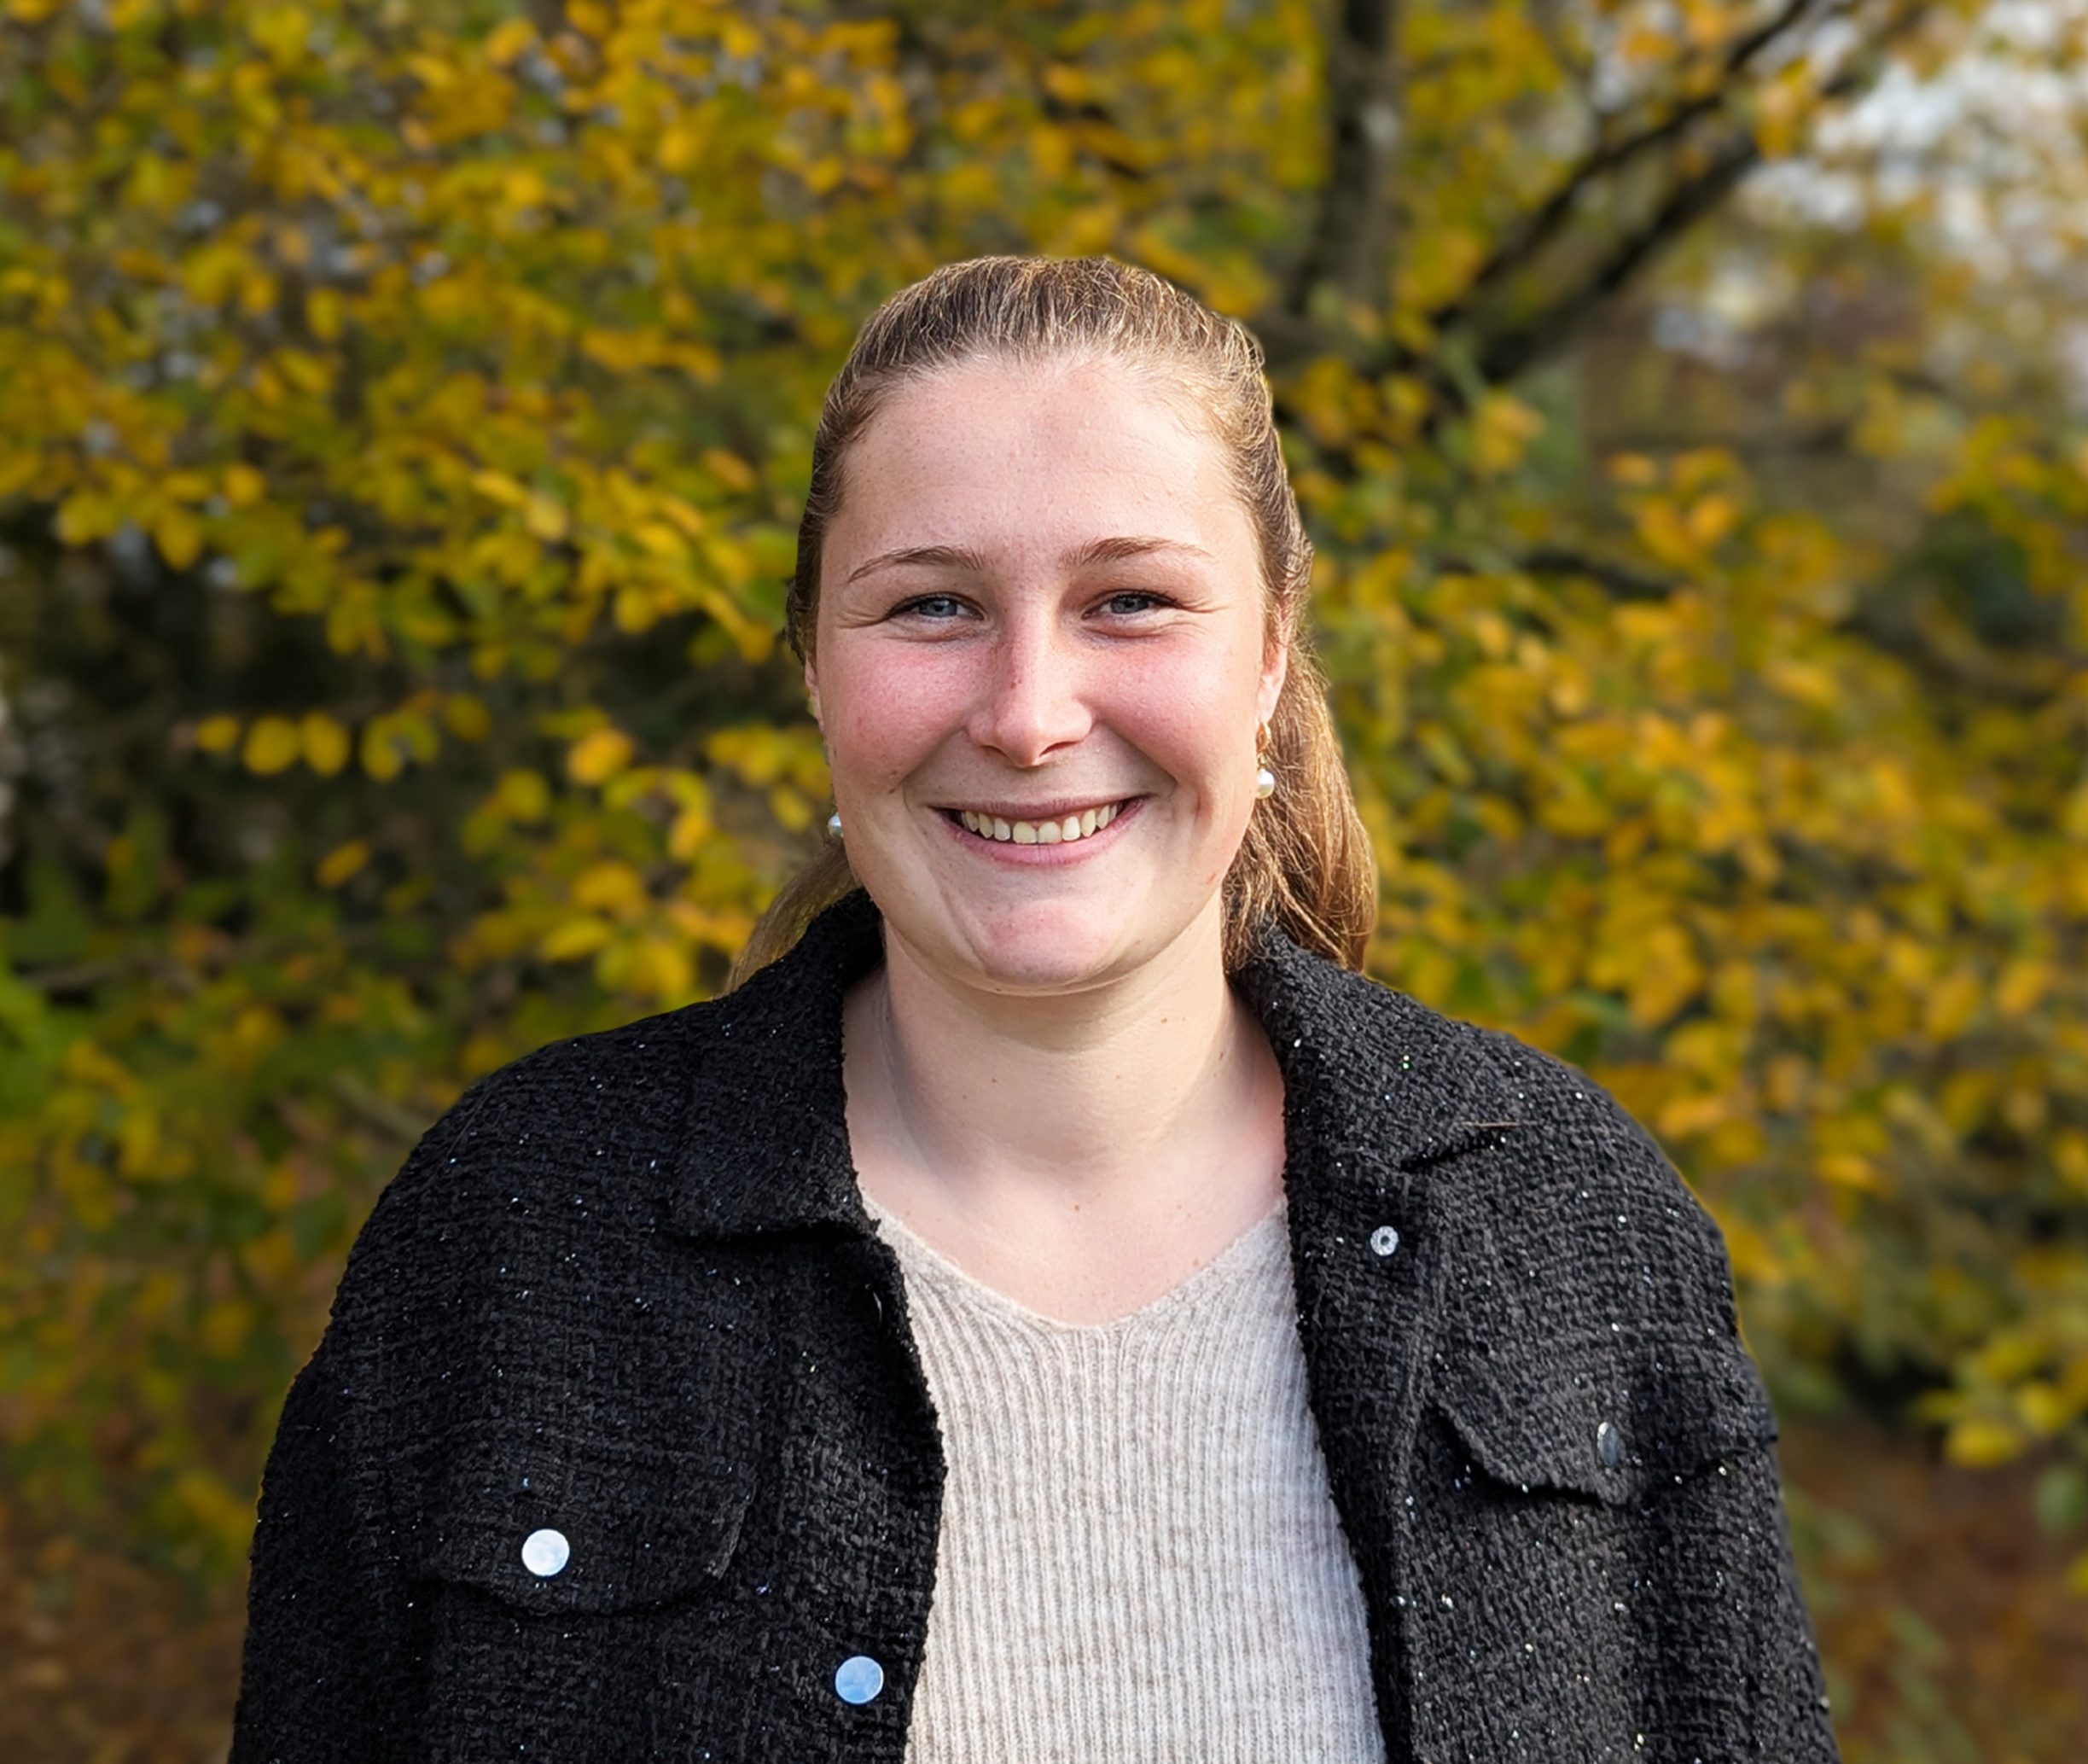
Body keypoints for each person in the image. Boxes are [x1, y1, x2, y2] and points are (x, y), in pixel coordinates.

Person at [230, 254, 1841, 1764]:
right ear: (814, 667)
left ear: (1270, 654)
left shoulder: (1571, 1225)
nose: (1026, 714)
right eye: (932, 606)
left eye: (1130, 600)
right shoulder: (517, 1225)